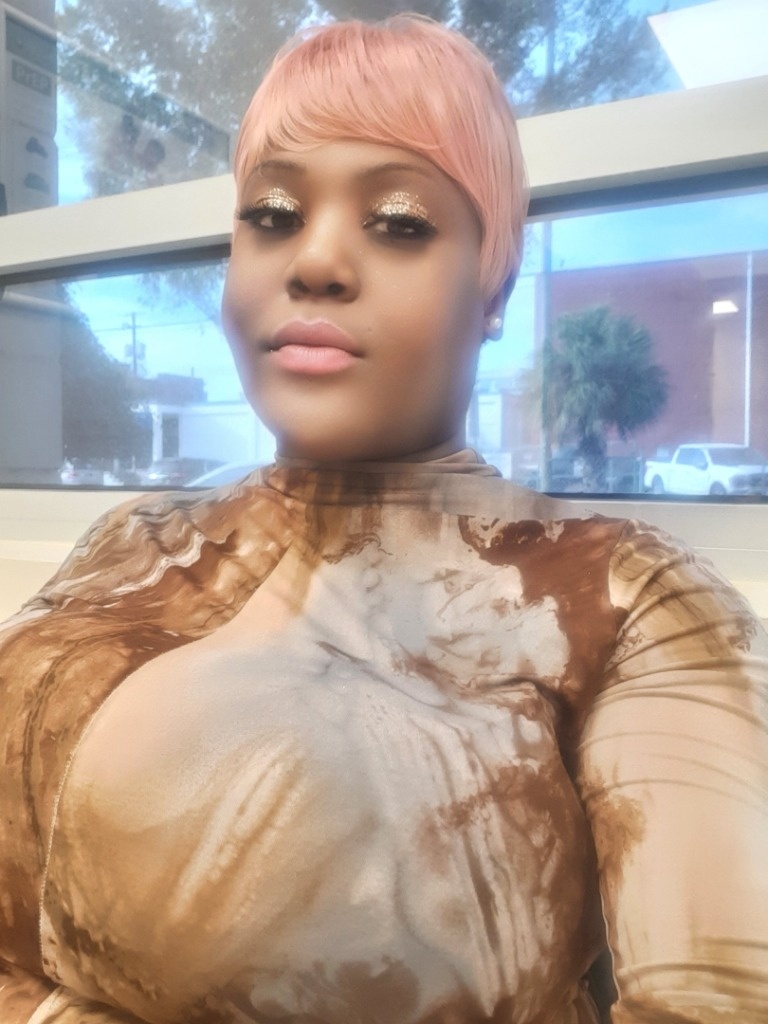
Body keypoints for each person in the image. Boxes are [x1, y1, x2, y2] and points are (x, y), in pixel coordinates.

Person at [1, 14, 767, 1024]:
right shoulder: (134, 540)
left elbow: (719, 997)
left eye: (400, 222)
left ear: (494, 285)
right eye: (272, 214)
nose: (315, 260)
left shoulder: (624, 598)